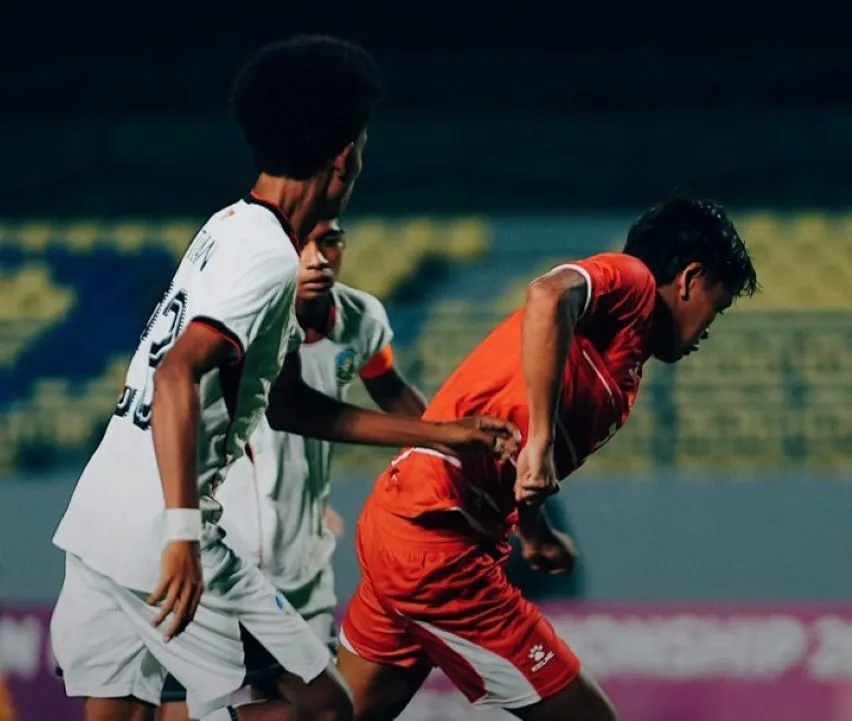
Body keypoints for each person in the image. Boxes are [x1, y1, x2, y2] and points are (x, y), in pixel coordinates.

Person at [48, 35, 518, 721]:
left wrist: (442, 433)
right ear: (344, 156)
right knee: (323, 706)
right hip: (163, 530)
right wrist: (182, 534)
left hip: (100, 518)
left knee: (122, 709)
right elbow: (177, 373)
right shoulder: (269, 259)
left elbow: (290, 405)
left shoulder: (228, 226)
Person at [335, 197, 759, 721]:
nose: (709, 329)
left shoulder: (622, 366)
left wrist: (533, 529)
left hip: (413, 523)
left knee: (334, 715)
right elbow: (547, 294)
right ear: (690, 279)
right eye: (717, 307)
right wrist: (538, 443)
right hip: (437, 535)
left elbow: (520, 462)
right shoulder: (633, 283)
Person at [155, 217, 430, 721]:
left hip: (303, 565)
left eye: (330, 242)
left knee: (323, 709)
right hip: (225, 552)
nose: (317, 259)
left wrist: (448, 444)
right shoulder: (234, 319)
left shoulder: (361, 319)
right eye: (302, 244)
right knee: (194, 707)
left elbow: (391, 389)